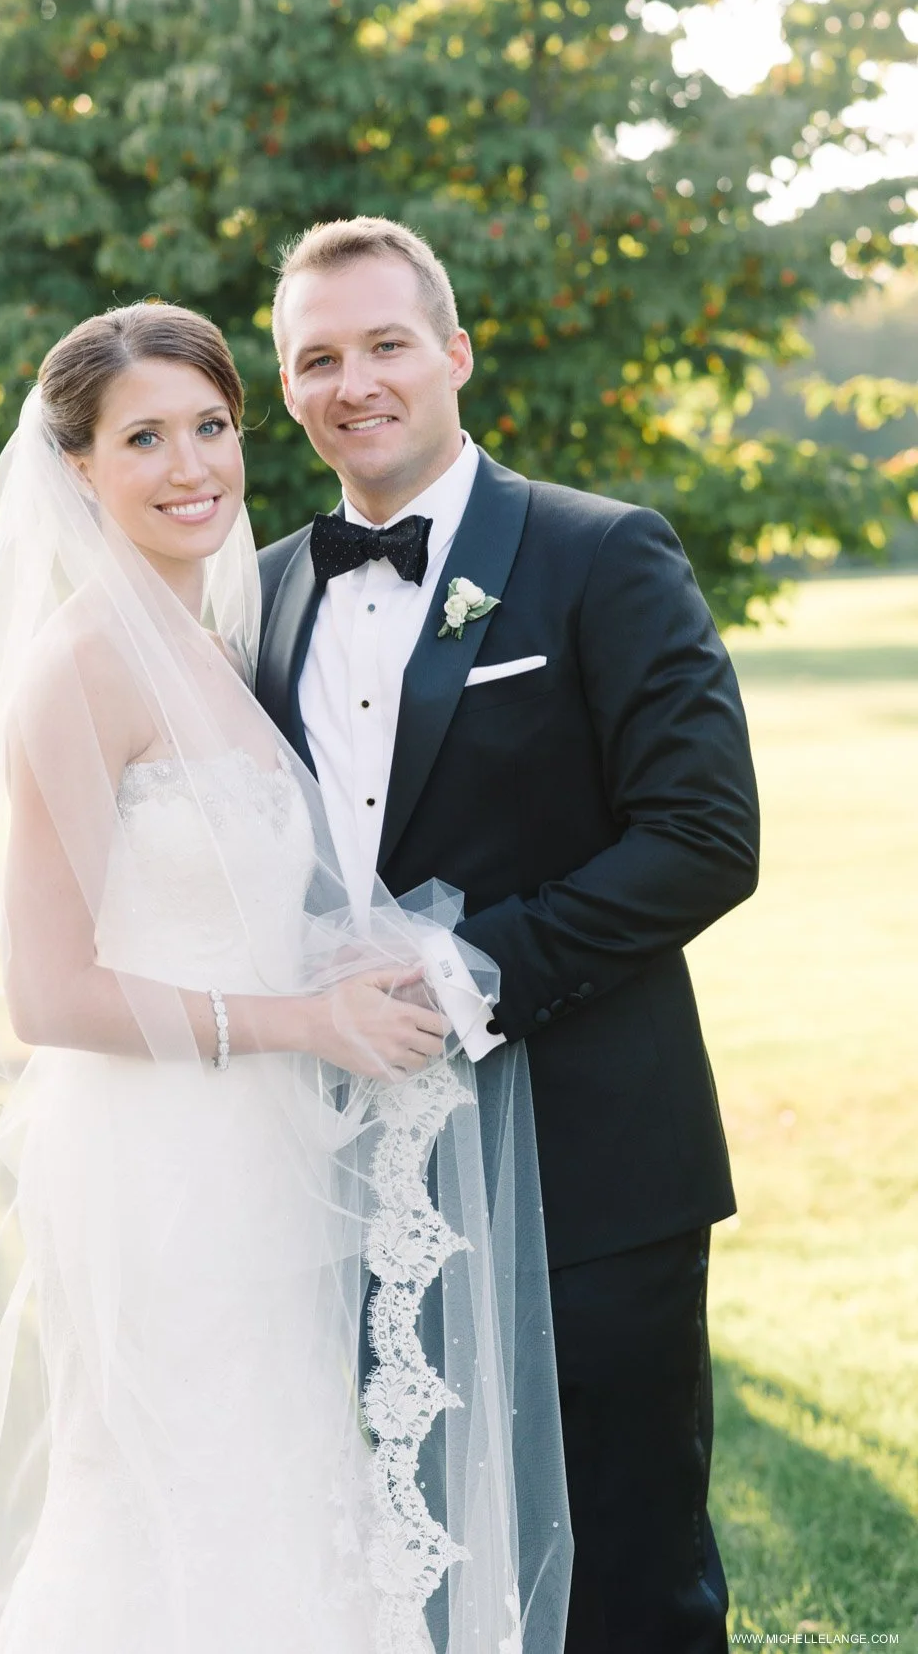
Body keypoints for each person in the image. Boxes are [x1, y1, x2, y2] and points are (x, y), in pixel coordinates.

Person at [0, 302, 572, 1654]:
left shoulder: (209, 635)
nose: (193, 463)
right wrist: (303, 1018)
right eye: (144, 436)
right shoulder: (81, 665)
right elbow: (50, 992)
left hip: (250, 1147)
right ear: (78, 466)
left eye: (211, 425)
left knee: (275, 1482)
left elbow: (240, 902)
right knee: (178, 1498)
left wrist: (368, 966)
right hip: (156, 1163)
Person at [258, 217, 760, 1654]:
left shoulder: (605, 553)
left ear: (456, 353)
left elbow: (705, 834)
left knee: (625, 1571)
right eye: (318, 358)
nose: (356, 381)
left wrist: (466, 969)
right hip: (352, 1178)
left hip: (590, 1164)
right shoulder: (270, 588)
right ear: (290, 389)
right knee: (411, 1561)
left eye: (387, 343)